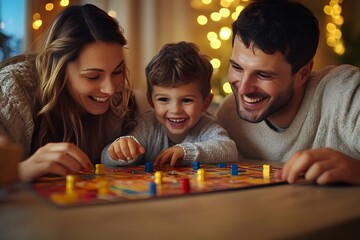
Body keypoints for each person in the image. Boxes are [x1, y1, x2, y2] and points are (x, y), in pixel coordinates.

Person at [216, 0, 360, 185]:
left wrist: (356, 170)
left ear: (303, 74)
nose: (244, 89)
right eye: (237, 67)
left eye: (263, 74)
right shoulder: (228, 116)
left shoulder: (348, 94)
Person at [0, 4, 137, 182]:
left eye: (117, 72)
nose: (110, 89)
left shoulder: (121, 101)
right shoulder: (12, 90)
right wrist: (20, 171)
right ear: (58, 70)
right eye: (93, 76)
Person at [101, 41, 238, 167]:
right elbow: (104, 159)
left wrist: (185, 151)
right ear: (151, 101)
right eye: (163, 100)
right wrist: (121, 150)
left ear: (205, 103)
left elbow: (229, 149)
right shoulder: (148, 126)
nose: (175, 110)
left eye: (186, 100)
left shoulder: (206, 126)